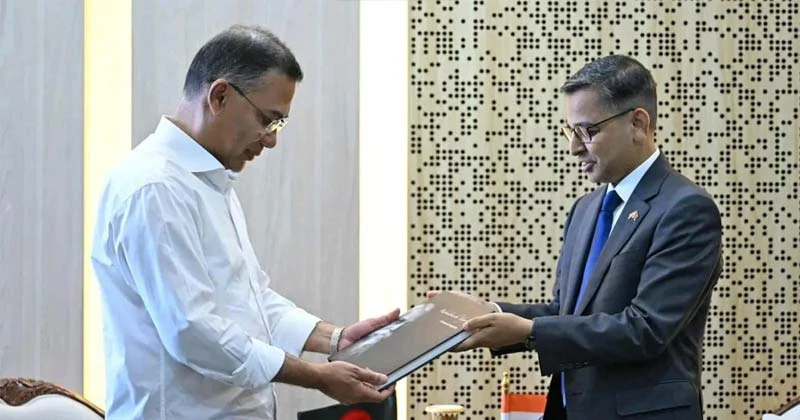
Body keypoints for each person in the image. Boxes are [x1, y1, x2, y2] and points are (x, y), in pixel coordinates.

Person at [91, 25, 397, 420]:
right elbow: (194, 332)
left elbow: (252, 302)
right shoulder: (155, 188)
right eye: (268, 120)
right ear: (219, 96)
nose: (270, 140)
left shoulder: (208, 181)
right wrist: (316, 377)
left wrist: (334, 339)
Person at [440, 55, 723, 420]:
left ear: (638, 123)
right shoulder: (586, 209)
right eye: (569, 131)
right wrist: (490, 314)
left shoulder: (685, 208)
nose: (574, 148)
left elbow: (645, 329)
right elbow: (566, 313)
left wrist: (529, 332)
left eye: (587, 132)